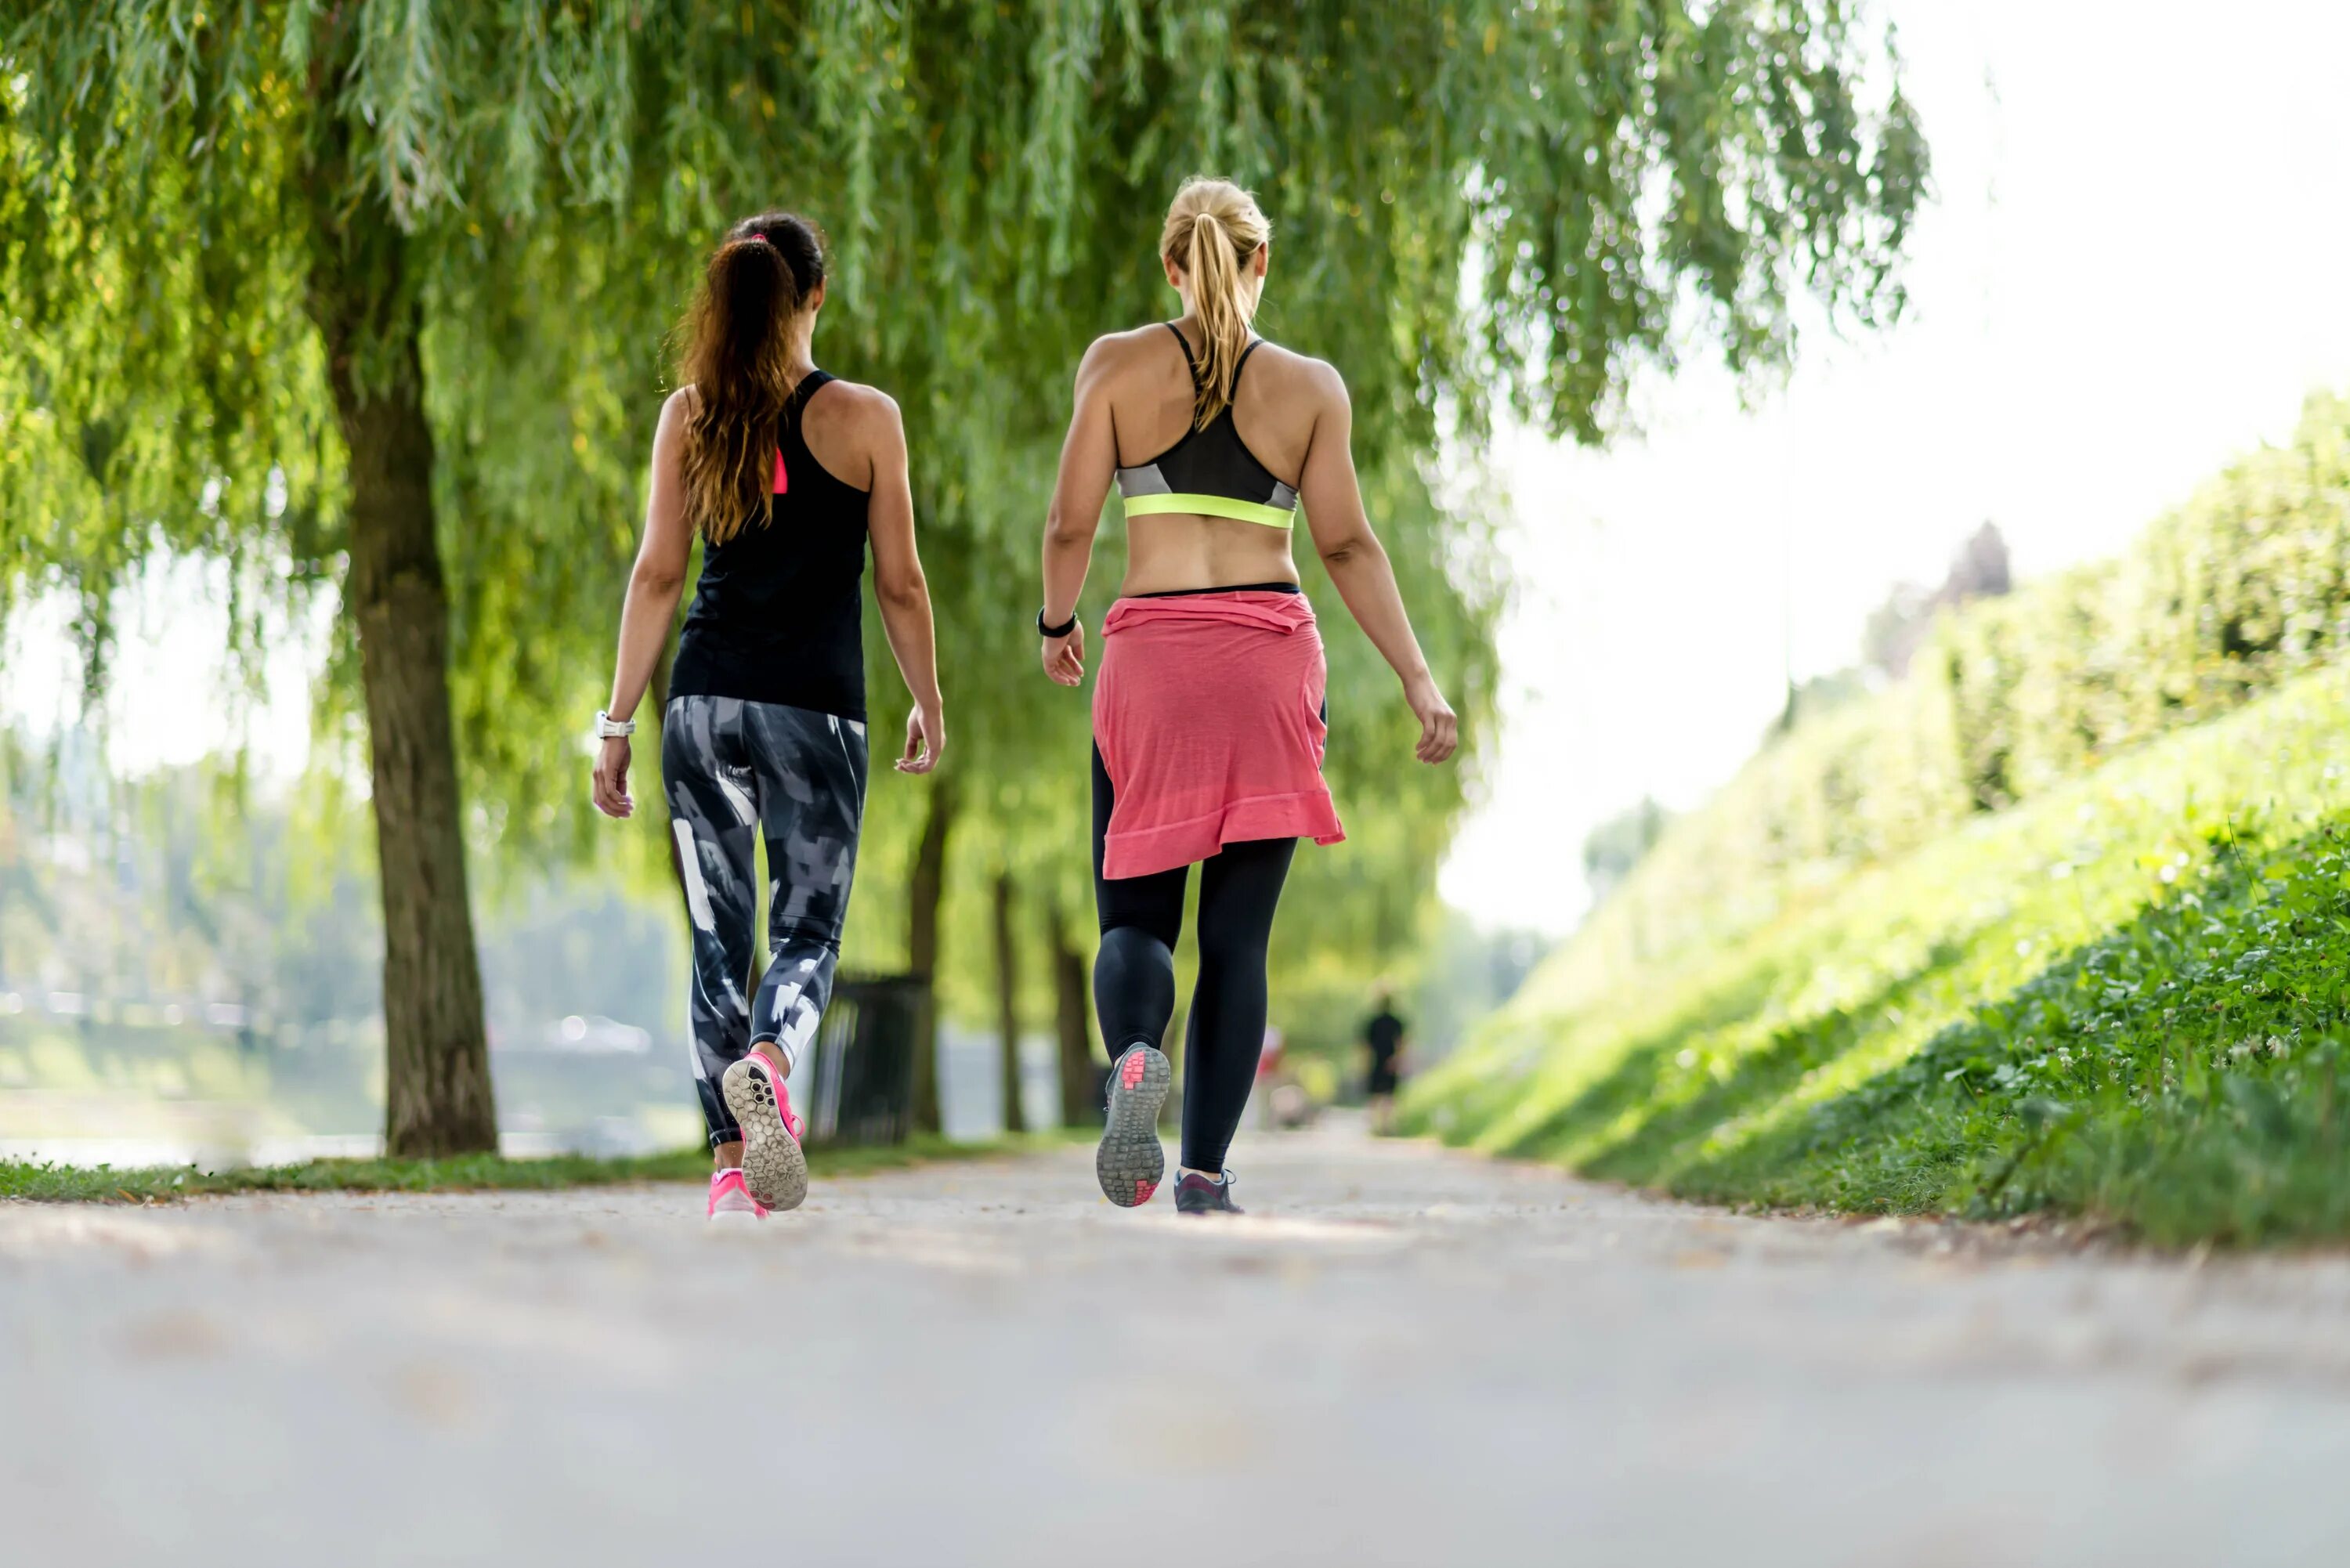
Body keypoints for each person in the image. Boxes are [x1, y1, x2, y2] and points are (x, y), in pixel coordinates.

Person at [1038, 175, 1459, 1216]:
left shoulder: (1116, 366)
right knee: (1235, 939)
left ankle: (1137, 1052)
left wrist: (1058, 623)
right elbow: (1348, 543)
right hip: (1268, 658)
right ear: (1260, 261)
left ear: (1171, 266)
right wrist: (1416, 675)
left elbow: (1067, 525)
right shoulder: (1312, 389)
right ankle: (1203, 1173)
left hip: (1153, 659)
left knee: (1134, 913)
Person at [591, 211, 945, 1223]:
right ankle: (772, 1059)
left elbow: (659, 573)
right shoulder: (867, 417)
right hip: (817, 713)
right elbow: (903, 585)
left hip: (702, 703)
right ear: (815, 295)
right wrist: (927, 701)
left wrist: (617, 722)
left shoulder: (689, 415)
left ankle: (731, 1171)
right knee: (805, 931)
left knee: (718, 937)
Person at [1362, 988, 1408, 1135]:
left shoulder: (1373, 1023)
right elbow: (1401, 1044)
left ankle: (1378, 1126)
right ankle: (1384, 1126)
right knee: (1388, 1096)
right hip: (1390, 1062)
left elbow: (1366, 1047)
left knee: (1378, 1096)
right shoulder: (1396, 1022)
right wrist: (1397, 1060)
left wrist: (1366, 1064)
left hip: (1378, 1062)